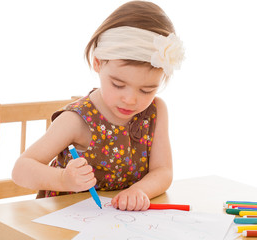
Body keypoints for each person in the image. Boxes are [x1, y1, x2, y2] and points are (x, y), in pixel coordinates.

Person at [12, 0, 184, 211]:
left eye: (146, 90)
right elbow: (21, 170)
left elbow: (163, 170)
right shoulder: (77, 120)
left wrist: (139, 191)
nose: (130, 100)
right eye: (118, 84)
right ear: (98, 63)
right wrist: (64, 179)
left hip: (119, 224)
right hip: (64, 222)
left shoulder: (155, 111)